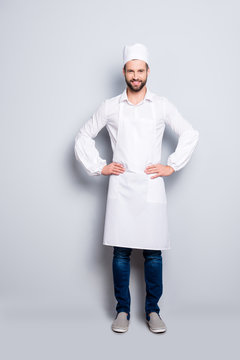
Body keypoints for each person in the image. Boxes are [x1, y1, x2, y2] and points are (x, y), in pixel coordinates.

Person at [74, 43, 199, 333]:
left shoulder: (161, 105)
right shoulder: (110, 106)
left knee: (153, 254)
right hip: (121, 188)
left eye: (140, 70)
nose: (135, 75)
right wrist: (98, 165)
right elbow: (83, 137)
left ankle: (153, 311)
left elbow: (190, 133)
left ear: (147, 71)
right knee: (121, 253)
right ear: (124, 72)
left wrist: (172, 164)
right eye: (131, 70)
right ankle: (122, 311)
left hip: (151, 187)